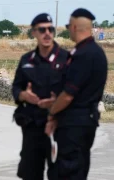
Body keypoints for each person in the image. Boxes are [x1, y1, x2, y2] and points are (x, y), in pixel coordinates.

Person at [45, 8, 108, 180]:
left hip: (75, 125)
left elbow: (68, 95)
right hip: (82, 122)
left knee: (68, 173)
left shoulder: (84, 55)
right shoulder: (93, 52)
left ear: (74, 27)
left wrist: (52, 113)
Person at [11, 13, 70, 180]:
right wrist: (24, 95)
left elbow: (75, 91)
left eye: (50, 29)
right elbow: (16, 88)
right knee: (30, 174)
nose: (47, 33)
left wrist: (56, 102)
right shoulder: (26, 60)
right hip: (32, 127)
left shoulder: (66, 59)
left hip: (59, 127)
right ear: (34, 33)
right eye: (42, 29)